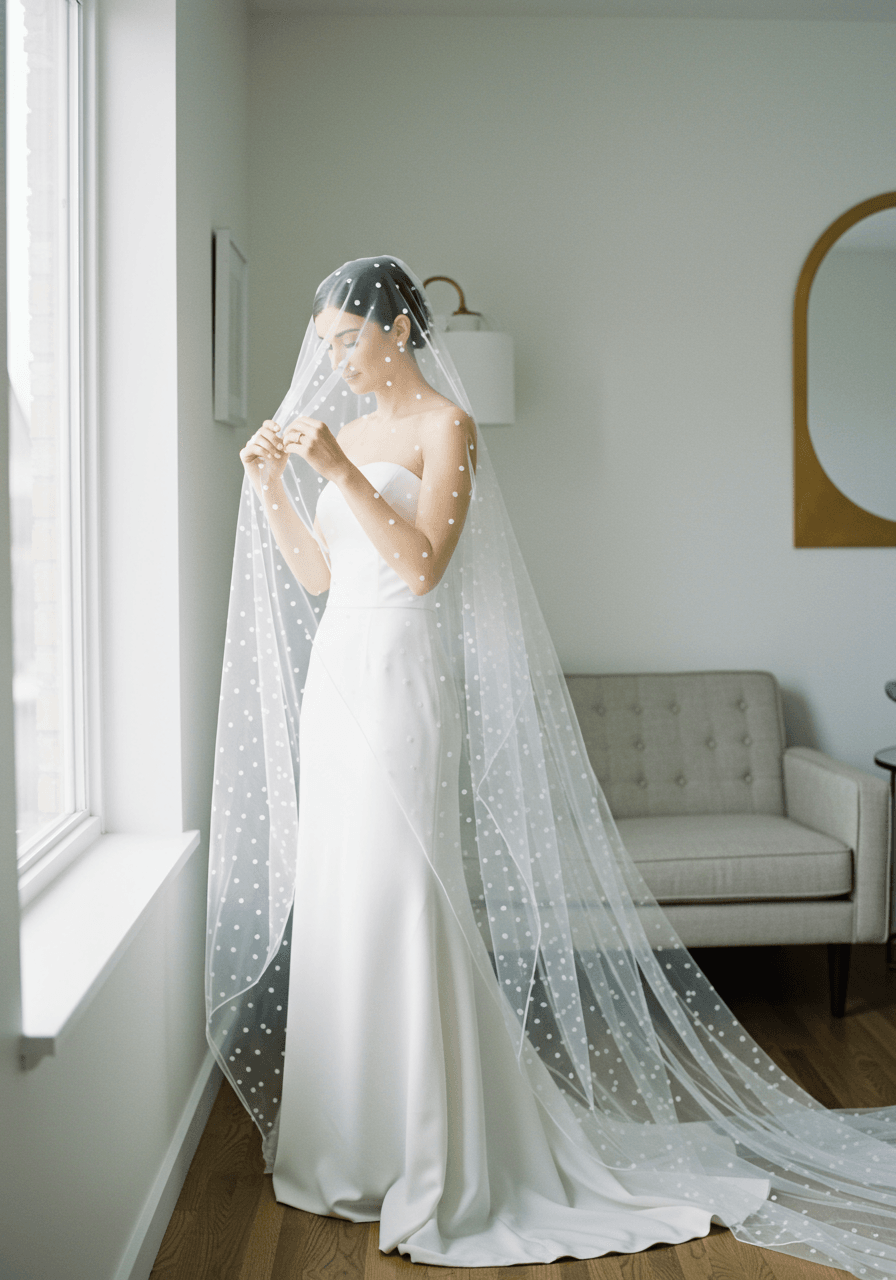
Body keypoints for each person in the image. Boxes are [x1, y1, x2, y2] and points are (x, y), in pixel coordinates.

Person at [207, 258, 896, 1274]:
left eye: (345, 339)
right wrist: (274, 488)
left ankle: (436, 1145)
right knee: (343, 893)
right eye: (323, 344)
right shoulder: (343, 435)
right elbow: (324, 575)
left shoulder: (446, 426)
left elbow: (420, 566)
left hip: (402, 681)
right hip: (338, 683)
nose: (333, 360)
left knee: (402, 893)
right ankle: (351, 1140)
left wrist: (339, 474)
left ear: (396, 328)